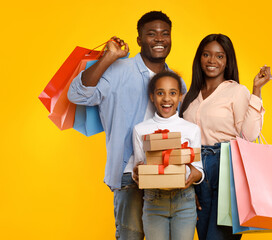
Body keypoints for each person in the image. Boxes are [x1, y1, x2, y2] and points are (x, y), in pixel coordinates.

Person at [68, 11, 186, 240]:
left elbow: (181, 130)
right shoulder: (118, 70)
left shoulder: (176, 81)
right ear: (140, 40)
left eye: (165, 34)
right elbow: (77, 95)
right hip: (126, 174)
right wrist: (108, 58)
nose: (159, 39)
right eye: (151, 34)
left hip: (165, 174)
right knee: (130, 236)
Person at [179, 34, 272, 240]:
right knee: (203, 235)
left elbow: (249, 135)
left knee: (219, 236)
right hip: (196, 168)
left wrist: (256, 90)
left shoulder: (237, 91)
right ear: (199, 58)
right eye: (206, 55)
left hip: (227, 166)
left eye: (220, 56)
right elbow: (182, 140)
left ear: (227, 60)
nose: (212, 61)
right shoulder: (188, 97)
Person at [132, 71, 204, 240]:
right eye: (160, 93)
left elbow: (199, 171)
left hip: (184, 200)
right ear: (152, 97)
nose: (166, 99)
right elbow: (139, 168)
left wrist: (195, 175)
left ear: (180, 96)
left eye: (172, 93)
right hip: (153, 201)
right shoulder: (140, 129)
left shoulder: (191, 129)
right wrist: (137, 174)